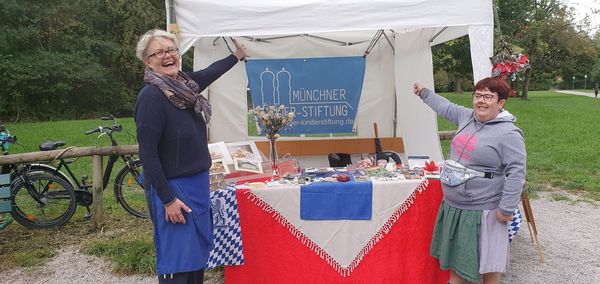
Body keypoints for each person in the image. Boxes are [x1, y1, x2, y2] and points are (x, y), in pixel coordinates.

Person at [134, 29, 247, 283]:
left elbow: (210, 73)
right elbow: (147, 154)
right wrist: (167, 200)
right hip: (174, 191)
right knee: (179, 263)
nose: (168, 56)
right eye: (159, 52)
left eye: (172, 50)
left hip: (196, 186)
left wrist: (236, 56)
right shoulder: (152, 97)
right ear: (148, 61)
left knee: (196, 260)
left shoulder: (184, 87)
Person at [413, 77, 526, 284]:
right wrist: (424, 93)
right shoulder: (467, 117)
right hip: (455, 206)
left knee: (488, 263)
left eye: (488, 97)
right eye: (477, 95)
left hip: (484, 210)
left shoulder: (509, 133)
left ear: (501, 103)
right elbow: (445, 106)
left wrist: (507, 209)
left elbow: (517, 172)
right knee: (458, 260)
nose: (481, 101)